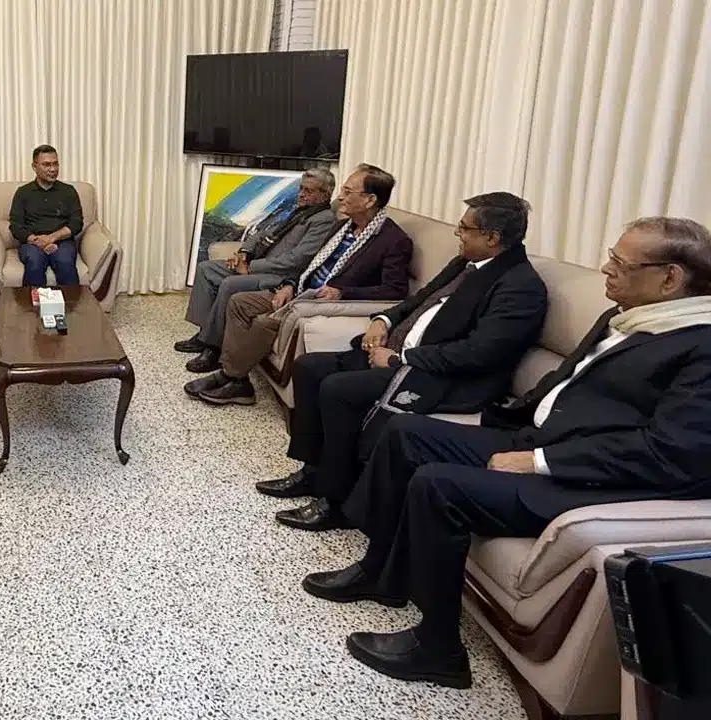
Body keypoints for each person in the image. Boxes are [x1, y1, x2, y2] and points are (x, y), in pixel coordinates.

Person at [304, 217, 711, 689]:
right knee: (405, 434)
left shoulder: (699, 348)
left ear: (670, 278)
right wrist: (502, 421)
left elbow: (671, 453)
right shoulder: (626, 316)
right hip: (541, 439)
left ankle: (437, 650)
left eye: (620, 262)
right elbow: (561, 384)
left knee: (439, 484)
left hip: (594, 478)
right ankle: (380, 574)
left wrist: (539, 463)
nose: (606, 268)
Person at [258, 193, 549, 532]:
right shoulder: (466, 263)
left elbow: (478, 353)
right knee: (309, 368)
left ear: (492, 238)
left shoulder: (520, 287)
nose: (458, 233)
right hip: (405, 356)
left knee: (340, 390)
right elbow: (418, 300)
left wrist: (400, 358)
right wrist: (383, 320)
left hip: (446, 378)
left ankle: (336, 501)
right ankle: (314, 472)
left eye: (465, 228)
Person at [182, 163, 414, 376]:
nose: (340, 197)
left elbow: (395, 290)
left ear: (369, 200)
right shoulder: (342, 227)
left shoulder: (393, 240)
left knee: (238, 294)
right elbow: (308, 263)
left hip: (318, 296)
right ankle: (219, 355)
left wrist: (342, 292)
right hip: (299, 286)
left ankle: (228, 372)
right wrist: (284, 281)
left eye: (347, 191)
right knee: (231, 294)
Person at [178, 167, 338, 363]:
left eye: (309, 191)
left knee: (230, 284)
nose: (301, 194)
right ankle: (204, 334)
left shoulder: (324, 219)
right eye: (301, 188)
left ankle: (214, 347)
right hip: (259, 262)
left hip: (280, 276)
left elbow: (297, 259)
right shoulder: (299, 210)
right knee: (206, 269)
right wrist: (244, 253)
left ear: (324, 195)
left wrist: (251, 267)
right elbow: (262, 233)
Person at [9, 144, 83, 287]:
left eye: (55, 164)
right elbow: (16, 226)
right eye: (47, 165)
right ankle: (33, 302)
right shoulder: (23, 193)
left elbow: (76, 223)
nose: (53, 169)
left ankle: (71, 302)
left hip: (62, 242)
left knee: (65, 262)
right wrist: (36, 241)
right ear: (34, 166)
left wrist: (52, 238)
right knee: (34, 262)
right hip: (32, 243)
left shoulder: (68, 191)